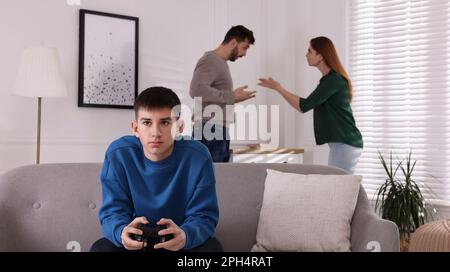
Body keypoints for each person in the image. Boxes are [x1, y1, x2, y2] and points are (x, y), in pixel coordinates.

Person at [90, 86, 222, 252]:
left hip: (179, 242)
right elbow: (112, 212)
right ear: (135, 128)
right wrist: (121, 232)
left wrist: (186, 235)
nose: (155, 133)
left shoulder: (199, 157)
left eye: (165, 122)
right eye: (146, 122)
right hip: (137, 242)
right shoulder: (118, 154)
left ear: (179, 128)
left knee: (213, 248)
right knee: (101, 248)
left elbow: (204, 216)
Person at [258, 36, 363, 174]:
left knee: (339, 186)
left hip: (345, 143)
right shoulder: (329, 80)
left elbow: (304, 106)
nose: (306, 55)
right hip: (344, 143)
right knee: (341, 186)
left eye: (310, 51)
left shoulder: (333, 80)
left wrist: (279, 88)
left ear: (320, 55)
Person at [190, 25, 256, 162]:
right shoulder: (210, 60)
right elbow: (196, 90)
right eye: (244, 47)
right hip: (210, 130)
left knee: (219, 178)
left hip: (216, 129)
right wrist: (231, 96)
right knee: (215, 178)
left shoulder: (220, 63)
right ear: (233, 43)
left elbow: (213, 95)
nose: (244, 54)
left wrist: (234, 98)